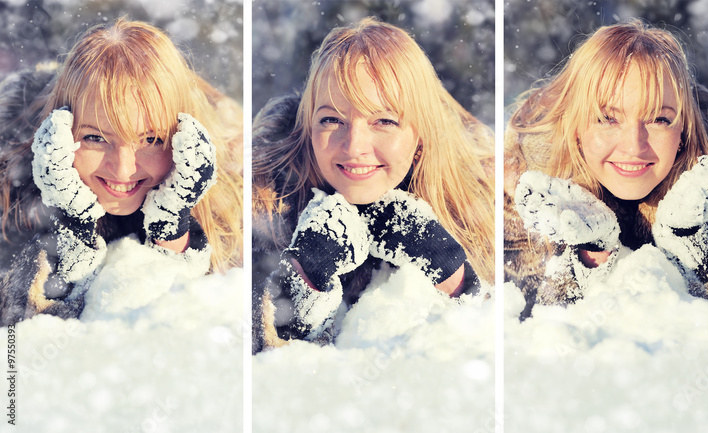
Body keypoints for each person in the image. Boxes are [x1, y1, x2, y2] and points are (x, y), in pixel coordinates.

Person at [251, 18, 495, 353]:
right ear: (309, 127)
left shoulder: (482, 203)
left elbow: (521, 341)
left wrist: (455, 278)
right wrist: (302, 280)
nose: (354, 146)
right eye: (332, 120)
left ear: (420, 135)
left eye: (384, 121)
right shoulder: (263, 200)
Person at [0, 18, 243, 324]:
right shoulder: (13, 181)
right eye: (96, 137)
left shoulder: (228, 193)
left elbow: (190, 325)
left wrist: (173, 227)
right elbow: (23, 333)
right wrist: (71, 220)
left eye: (151, 140)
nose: (124, 169)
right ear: (63, 130)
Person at [504, 19, 708, 319]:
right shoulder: (524, 198)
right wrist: (587, 258)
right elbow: (521, 325)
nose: (634, 146)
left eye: (660, 119)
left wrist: (687, 243)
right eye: (608, 118)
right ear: (575, 127)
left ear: (684, 131)